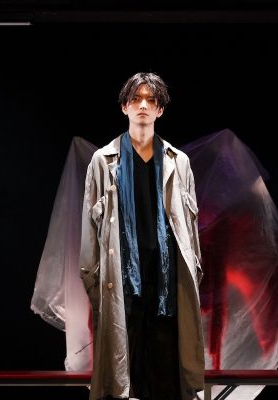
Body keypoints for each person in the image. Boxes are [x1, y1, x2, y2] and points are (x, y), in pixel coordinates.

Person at [79, 72, 204, 400]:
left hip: (166, 285)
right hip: (121, 284)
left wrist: (194, 273)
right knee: (122, 380)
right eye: (136, 99)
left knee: (166, 378)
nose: (143, 106)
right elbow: (89, 233)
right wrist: (93, 284)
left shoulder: (179, 162)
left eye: (151, 100)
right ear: (124, 106)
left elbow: (190, 230)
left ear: (160, 109)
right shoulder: (103, 161)